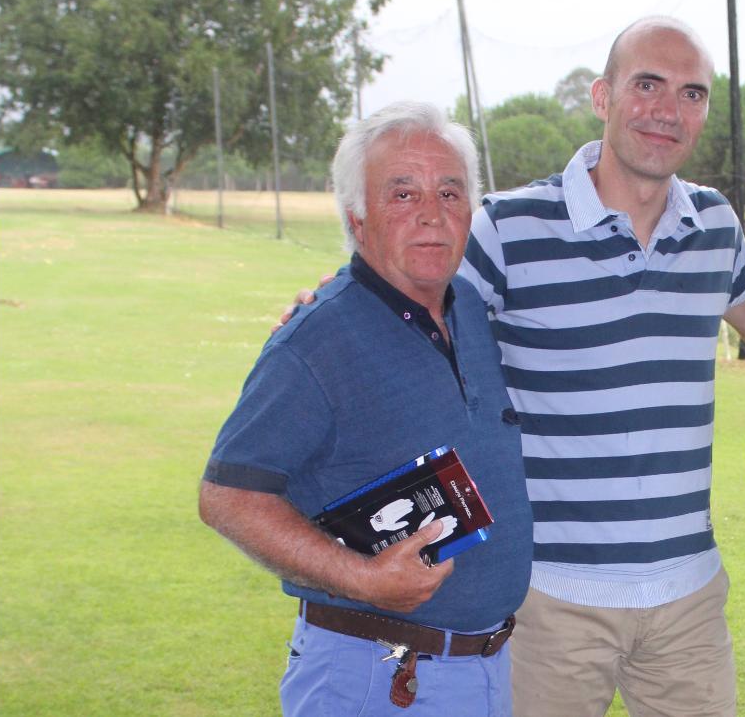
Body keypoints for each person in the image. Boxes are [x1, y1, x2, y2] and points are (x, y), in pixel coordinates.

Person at [456, 16, 745, 717]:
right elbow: (419, 320)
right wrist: (332, 308)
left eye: (691, 93)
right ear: (602, 96)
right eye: (647, 84)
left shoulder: (714, 225)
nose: (667, 110)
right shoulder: (509, 227)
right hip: (551, 599)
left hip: (688, 602)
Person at [199, 101, 532, 717]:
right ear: (357, 218)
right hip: (376, 678)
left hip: (484, 670)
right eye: (402, 194)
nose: (432, 214)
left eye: (450, 193)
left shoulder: (470, 312)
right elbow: (228, 496)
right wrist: (361, 578)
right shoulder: (316, 339)